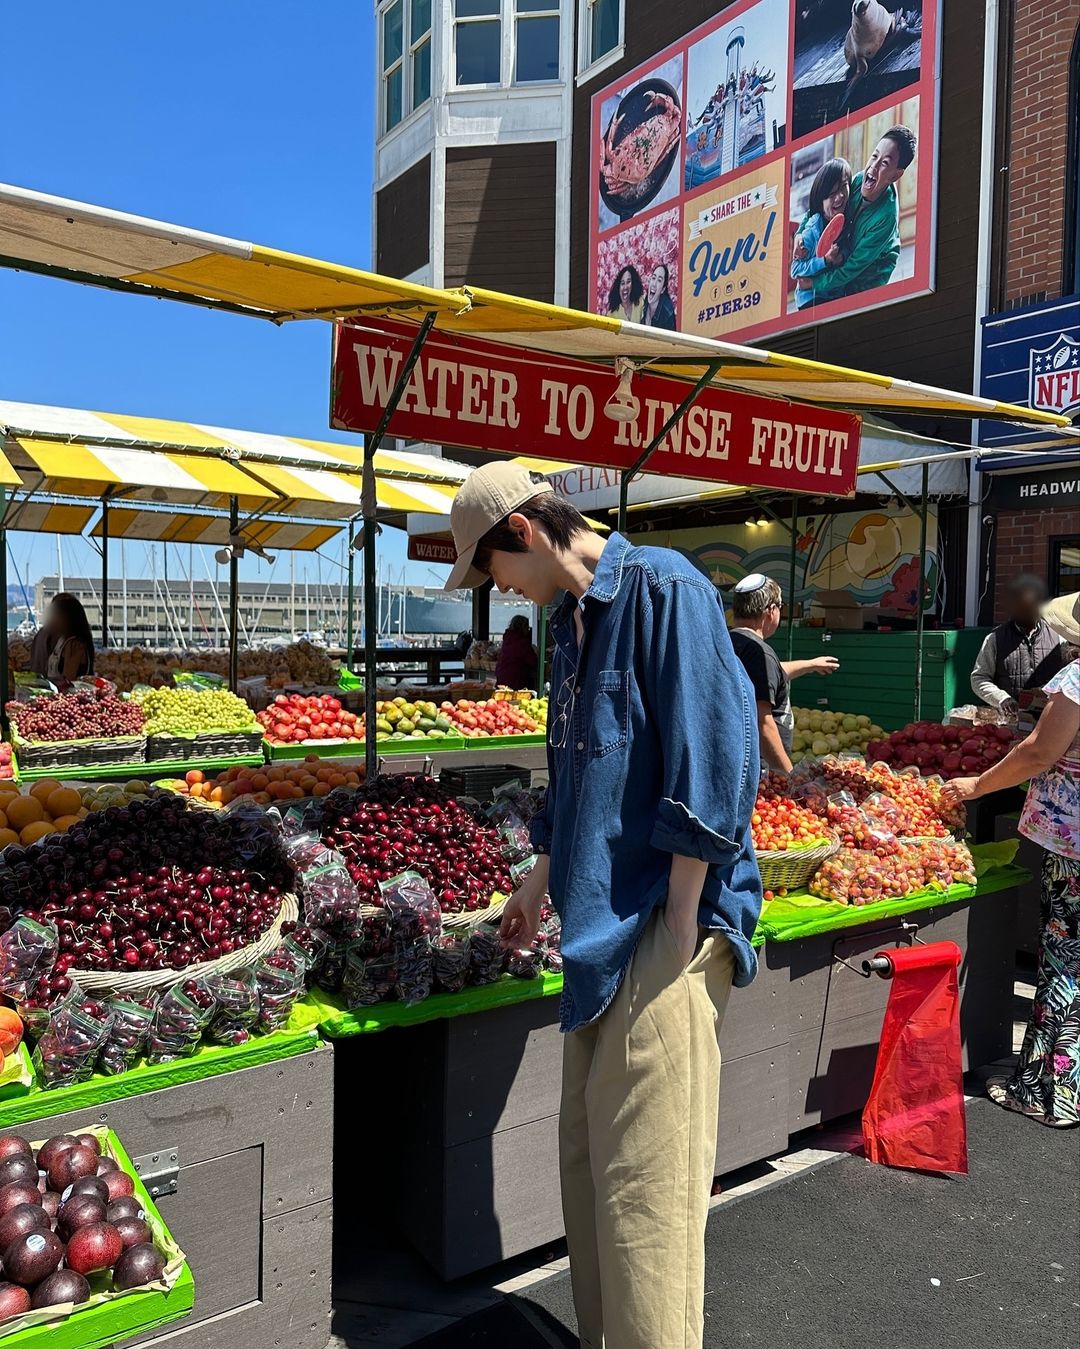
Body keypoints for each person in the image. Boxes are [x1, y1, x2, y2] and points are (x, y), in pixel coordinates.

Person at [444, 462, 762, 1349]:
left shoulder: (665, 589)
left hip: (661, 926)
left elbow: (717, 760)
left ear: (524, 532)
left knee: (648, 1200)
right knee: (590, 1174)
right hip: (595, 933)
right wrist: (539, 875)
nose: (494, 588)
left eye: (490, 568)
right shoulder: (571, 627)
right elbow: (576, 766)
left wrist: (680, 917)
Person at [943, 592, 1079, 1127]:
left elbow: (1039, 753)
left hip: (1072, 844)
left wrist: (977, 784)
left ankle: (1051, 1094)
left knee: (1065, 958)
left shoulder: (1075, 682)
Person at [729, 574, 840, 774]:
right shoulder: (760, 652)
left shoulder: (728, 643)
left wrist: (810, 664)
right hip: (760, 770)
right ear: (771, 611)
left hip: (735, 760)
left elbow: (768, 675)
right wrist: (788, 776)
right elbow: (763, 723)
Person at [799, 125, 916, 304]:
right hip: (845, 255)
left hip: (868, 277)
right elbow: (821, 206)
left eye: (884, 163)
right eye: (875, 156)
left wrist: (813, 283)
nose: (873, 167)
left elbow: (852, 268)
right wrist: (800, 232)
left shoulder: (886, 218)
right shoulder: (860, 179)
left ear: (896, 175)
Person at [971, 575, 1069, 713]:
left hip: (1048, 717)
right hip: (1009, 720)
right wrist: (1002, 698)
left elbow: (1068, 677)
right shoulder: (995, 639)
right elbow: (979, 678)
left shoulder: (1058, 638)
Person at [790, 157, 852, 309]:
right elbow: (795, 271)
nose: (840, 196)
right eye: (832, 195)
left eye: (844, 186)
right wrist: (824, 260)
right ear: (820, 203)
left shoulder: (848, 212)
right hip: (811, 300)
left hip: (833, 295)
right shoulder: (813, 229)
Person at [28, 592, 94, 682]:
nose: (52, 619)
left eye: (56, 615)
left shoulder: (74, 644)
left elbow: (68, 678)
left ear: (67, 619)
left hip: (70, 694)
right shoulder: (60, 640)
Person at [495, 614, 538, 690]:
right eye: (527, 627)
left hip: (502, 675)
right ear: (522, 627)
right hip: (515, 678)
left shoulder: (508, 639)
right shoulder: (522, 643)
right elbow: (533, 661)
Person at [642, 263, 677, 329]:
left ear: (663, 290)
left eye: (659, 280)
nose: (654, 284)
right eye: (653, 278)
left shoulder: (667, 312)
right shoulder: (644, 302)